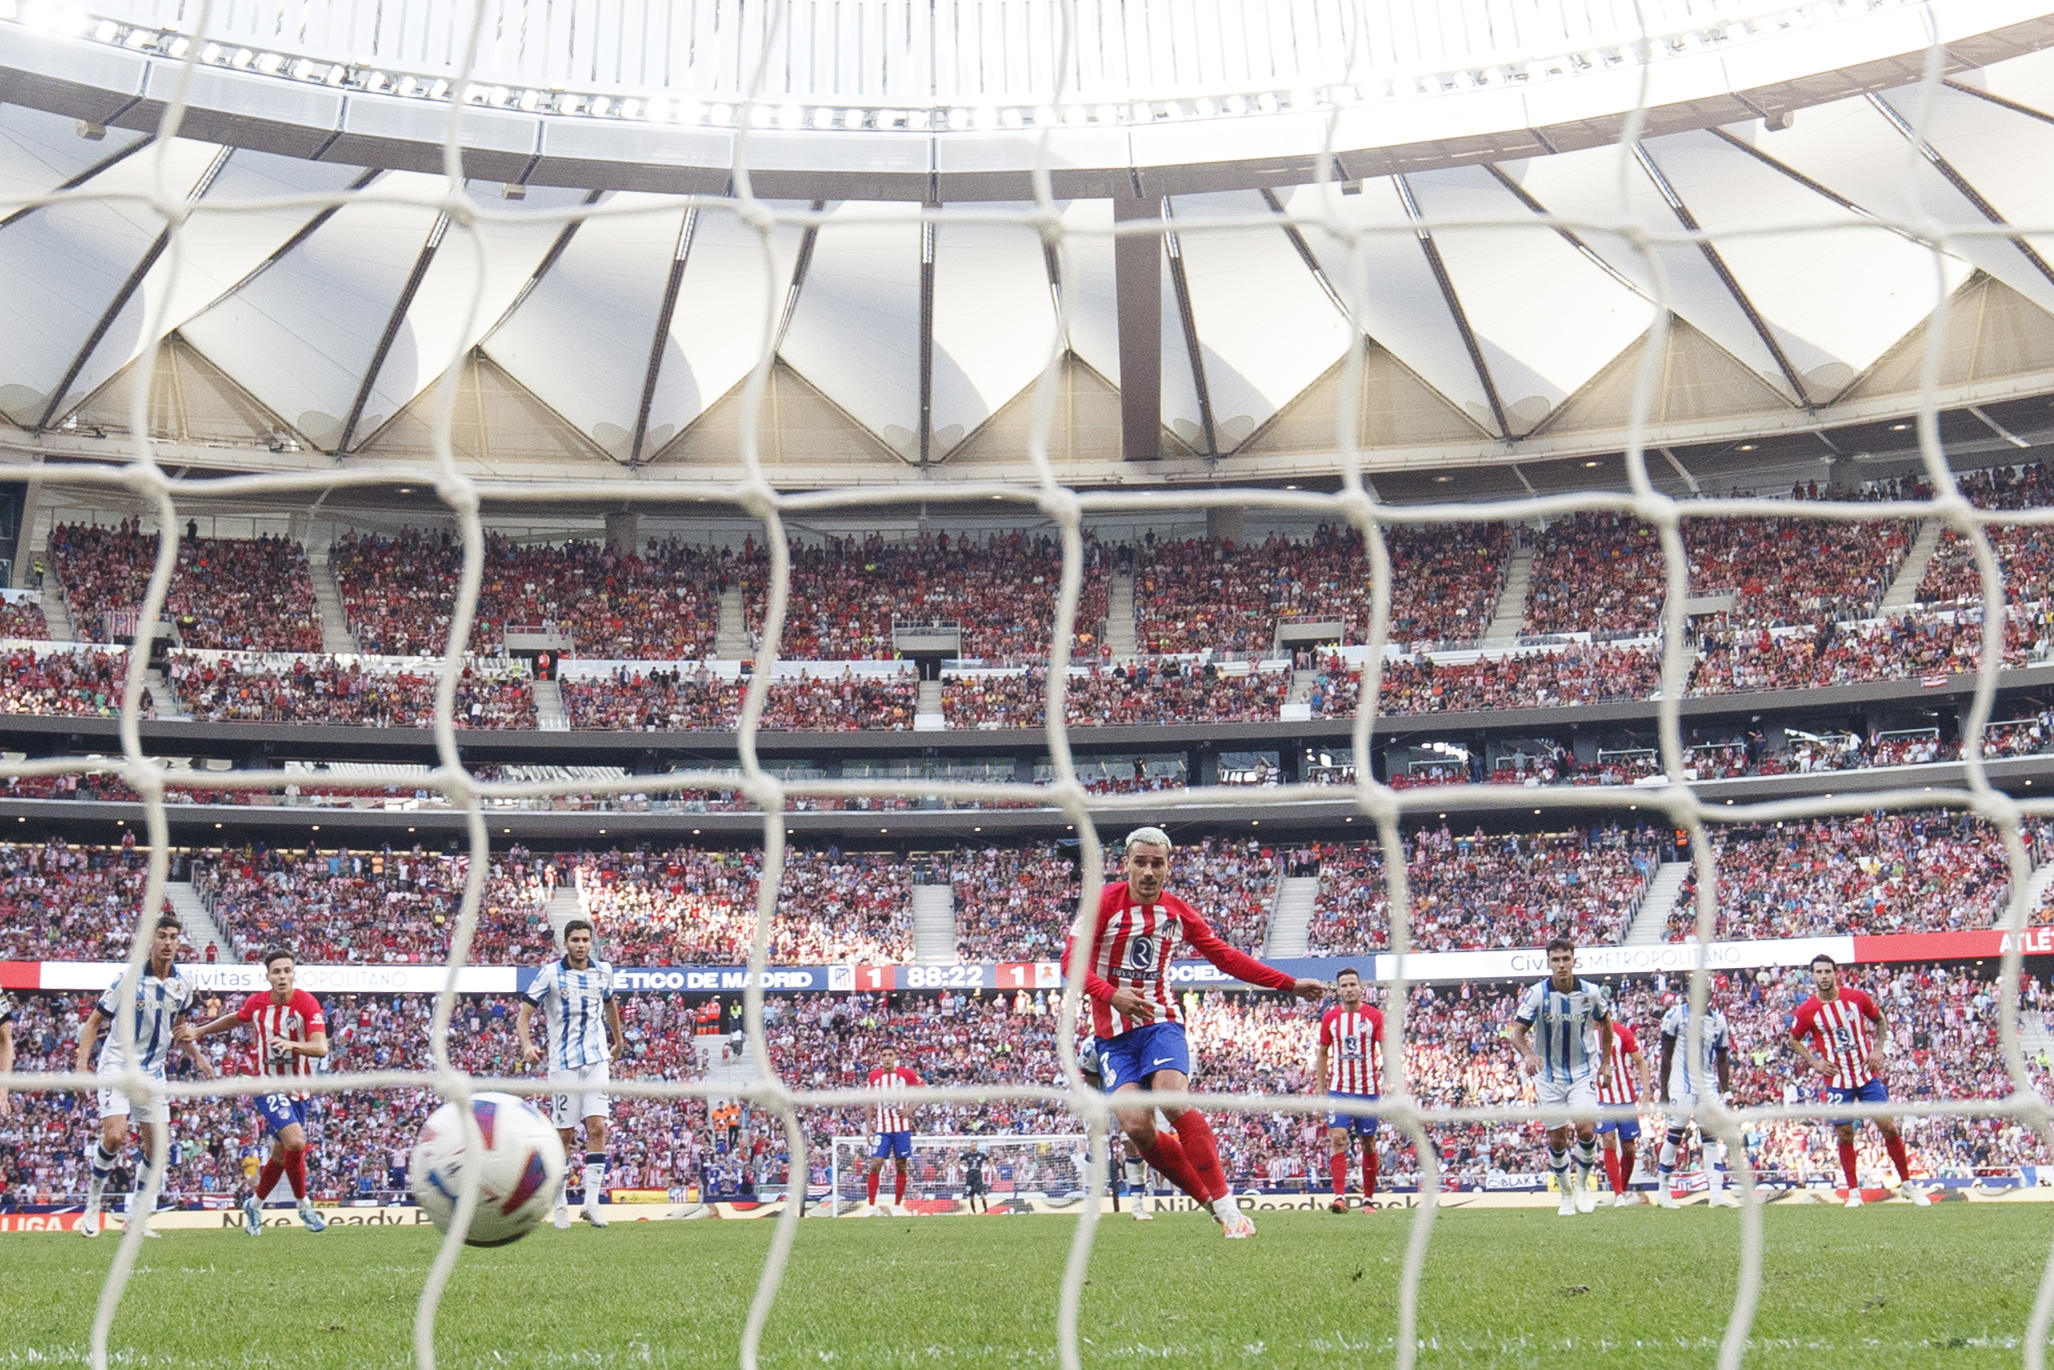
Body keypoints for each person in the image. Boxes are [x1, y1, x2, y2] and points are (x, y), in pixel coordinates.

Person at [1061, 825, 1326, 1239]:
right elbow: (1069, 965)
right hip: (1113, 1036)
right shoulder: (1101, 904)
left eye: (1157, 863)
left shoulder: (1178, 912)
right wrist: (1113, 996)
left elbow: (1226, 959)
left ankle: (1230, 1211)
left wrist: (1288, 984)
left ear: (1168, 868)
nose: (1148, 871)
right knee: (1135, 1127)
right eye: (1141, 862)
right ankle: (1211, 1205)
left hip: (1161, 1023)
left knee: (1172, 1097)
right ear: (1126, 864)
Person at [75, 915, 209, 1238]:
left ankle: (134, 1220)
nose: (166, 942)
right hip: (118, 1065)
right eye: (161, 935)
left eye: (172, 936)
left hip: (153, 1072)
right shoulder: (129, 978)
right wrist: (81, 1068)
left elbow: (179, 1028)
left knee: (156, 1148)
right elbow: (93, 1023)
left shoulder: (184, 984)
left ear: (179, 943)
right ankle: (92, 1209)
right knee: (115, 1136)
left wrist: (199, 1057)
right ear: (152, 940)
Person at [183, 945, 327, 1235]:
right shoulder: (258, 1004)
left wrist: (293, 1045)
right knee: (296, 1143)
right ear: (268, 976)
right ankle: (304, 1206)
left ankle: (255, 1204)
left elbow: (321, 1047)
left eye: (287, 970)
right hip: (266, 1084)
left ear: (294, 973)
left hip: (298, 1090)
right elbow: (235, 1018)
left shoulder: (307, 1004)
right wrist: (199, 1031)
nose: (283, 976)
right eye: (277, 972)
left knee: (280, 1155)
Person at [1789, 954, 1929, 1208]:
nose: (1823, 976)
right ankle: (1853, 1192)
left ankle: (1908, 1185)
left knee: (1888, 1127)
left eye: (1827, 971)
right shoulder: (1807, 1010)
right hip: (1837, 1079)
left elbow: (1880, 1020)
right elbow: (1794, 1039)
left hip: (1866, 1075)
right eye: (1818, 972)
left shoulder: (1856, 998)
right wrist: (1815, 1062)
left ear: (1835, 973)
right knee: (1844, 1133)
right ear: (1812, 976)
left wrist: (1878, 1049)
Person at [517, 918, 625, 1229]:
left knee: (597, 1129)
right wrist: (527, 1044)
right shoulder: (551, 973)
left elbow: (610, 1005)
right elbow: (524, 1014)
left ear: (592, 943)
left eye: (585, 940)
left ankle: (592, 1204)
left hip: (596, 1061)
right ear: (566, 943)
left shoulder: (603, 971)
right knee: (564, 1134)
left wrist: (618, 1039)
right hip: (563, 1063)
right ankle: (561, 1203)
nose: (580, 944)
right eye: (575, 939)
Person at [1507, 936, 1614, 1217]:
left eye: (1566, 958)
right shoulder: (1538, 994)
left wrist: (1606, 1063)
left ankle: (1582, 1186)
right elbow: (1516, 1032)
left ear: (1574, 960)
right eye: (1556, 959)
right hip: (1548, 1075)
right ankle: (1565, 1193)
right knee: (1557, 1140)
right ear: (1549, 962)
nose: (1562, 964)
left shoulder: (1590, 992)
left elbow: (1605, 1023)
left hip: (1582, 1071)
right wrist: (1528, 1054)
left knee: (1586, 1130)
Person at [1312, 967, 1387, 1214]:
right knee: (1338, 1138)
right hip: (1339, 1090)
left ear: (1360, 988)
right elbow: (1322, 1052)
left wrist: (1389, 1078)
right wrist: (1321, 1087)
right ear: (1338, 989)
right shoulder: (1331, 1018)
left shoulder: (1374, 1016)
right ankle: (1339, 1197)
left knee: (1368, 1142)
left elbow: (1385, 1048)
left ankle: (1368, 1199)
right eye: (1343, 985)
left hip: (1367, 1090)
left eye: (1352, 984)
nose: (1348, 989)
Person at [1656, 989, 1737, 1209]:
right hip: (1680, 1085)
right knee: (1674, 1135)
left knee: (1711, 1138)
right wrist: (1663, 1091)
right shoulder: (1675, 1015)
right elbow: (1666, 1054)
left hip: (1707, 1087)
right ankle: (1663, 1193)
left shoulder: (1718, 1020)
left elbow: (1722, 1060)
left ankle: (1717, 1194)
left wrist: (1726, 1091)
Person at [1594, 1010, 1651, 1206]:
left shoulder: (1621, 1032)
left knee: (1629, 1147)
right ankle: (1618, 1194)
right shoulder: (1584, 1035)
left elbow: (1640, 1061)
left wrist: (1646, 1092)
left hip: (1625, 1097)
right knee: (1608, 1140)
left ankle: (1623, 1190)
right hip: (1601, 1098)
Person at [862, 1044, 922, 1216]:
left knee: (901, 1166)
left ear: (895, 1057)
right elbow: (868, 1102)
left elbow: (924, 1090)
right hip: (882, 1128)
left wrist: (911, 1109)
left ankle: (896, 1206)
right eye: (884, 1055)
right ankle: (871, 1205)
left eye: (890, 1055)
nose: (887, 1058)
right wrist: (868, 1128)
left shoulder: (906, 1074)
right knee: (876, 1163)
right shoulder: (874, 1076)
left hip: (902, 1129)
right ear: (880, 1057)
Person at [963, 1147, 988, 1215]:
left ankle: (986, 1211)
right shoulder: (967, 1155)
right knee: (971, 1198)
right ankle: (974, 1212)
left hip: (978, 1179)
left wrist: (985, 1168)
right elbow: (958, 1160)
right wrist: (962, 1168)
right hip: (970, 1179)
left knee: (982, 1196)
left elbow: (990, 1159)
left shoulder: (981, 1155)